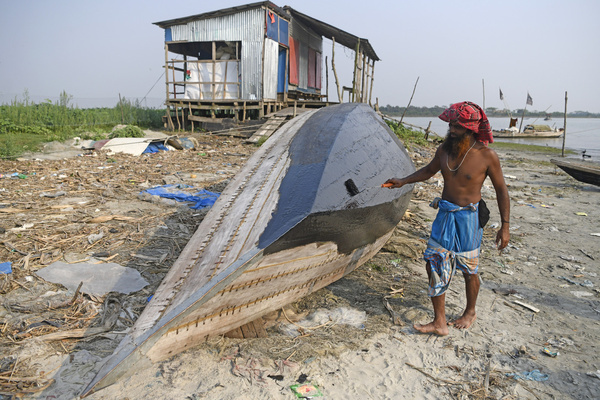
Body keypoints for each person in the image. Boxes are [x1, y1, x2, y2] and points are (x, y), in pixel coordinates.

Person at [384, 101, 510, 336]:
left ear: (470, 128)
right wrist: (403, 180)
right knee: (434, 262)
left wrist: (505, 227)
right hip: (444, 215)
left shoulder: (487, 155)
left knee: (469, 269)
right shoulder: (444, 150)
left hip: (469, 219)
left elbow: (502, 191)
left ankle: (470, 311)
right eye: (451, 124)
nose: (452, 129)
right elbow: (429, 171)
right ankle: (439, 322)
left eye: (457, 126)